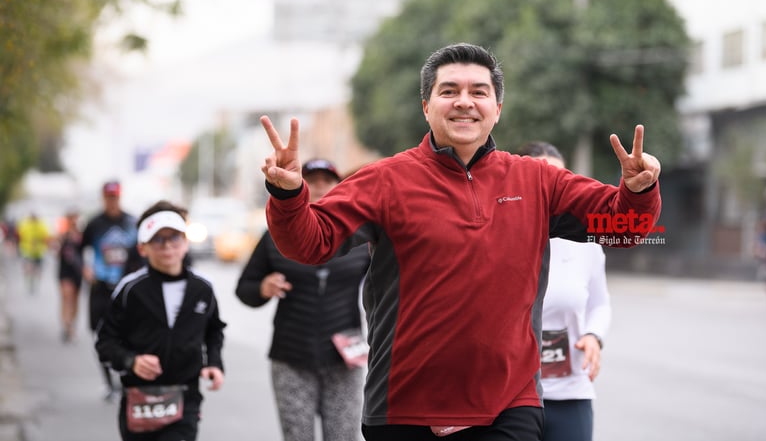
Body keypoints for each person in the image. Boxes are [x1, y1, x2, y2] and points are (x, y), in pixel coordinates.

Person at [259, 42, 662, 441]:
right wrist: (288, 195)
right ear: (426, 106)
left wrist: (638, 191)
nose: (464, 102)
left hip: (508, 406)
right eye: (449, 91)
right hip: (403, 408)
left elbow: (621, 225)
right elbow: (309, 243)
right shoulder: (384, 181)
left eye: (478, 92)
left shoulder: (537, 180)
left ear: (497, 109)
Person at [236, 158, 370, 441]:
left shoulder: (360, 235)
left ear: (339, 187)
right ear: (301, 187)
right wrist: (263, 287)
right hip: (291, 357)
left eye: (327, 181)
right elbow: (244, 288)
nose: (320, 187)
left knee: (344, 436)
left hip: (344, 357)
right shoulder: (276, 235)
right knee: (298, 437)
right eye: (313, 180)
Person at [95, 200, 226, 441]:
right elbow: (105, 341)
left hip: (185, 396)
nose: (167, 246)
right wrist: (131, 361)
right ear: (143, 248)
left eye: (174, 238)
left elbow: (214, 330)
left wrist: (214, 363)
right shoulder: (130, 290)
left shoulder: (202, 289)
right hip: (139, 396)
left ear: (185, 243)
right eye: (158, 239)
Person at [517, 141, 611, 441]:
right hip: (510, 399)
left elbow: (600, 303)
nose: (550, 192)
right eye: (541, 180)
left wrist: (594, 336)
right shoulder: (499, 240)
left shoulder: (587, 245)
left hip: (570, 394)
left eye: (558, 181)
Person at [81, 180, 141, 401]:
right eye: (108, 197)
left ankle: (126, 380)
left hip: (126, 289)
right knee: (100, 335)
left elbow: (142, 253)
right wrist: (85, 268)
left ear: (120, 197)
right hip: (101, 288)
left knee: (129, 336)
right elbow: (77, 250)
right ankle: (108, 383)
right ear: (103, 198)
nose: (112, 201)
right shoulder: (94, 224)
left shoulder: (132, 222)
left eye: (115, 197)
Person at [57, 208, 84, 343]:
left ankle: (72, 323)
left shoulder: (82, 237)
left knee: (75, 300)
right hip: (65, 272)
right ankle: (67, 326)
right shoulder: (63, 236)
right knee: (67, 298)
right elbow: (57, 253)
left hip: (77, 273)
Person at [16, 211, 52, 294]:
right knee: (28, 267)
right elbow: (20, 235)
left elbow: (46, 237)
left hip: (38, 251)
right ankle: (29, 282)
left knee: (37, 269)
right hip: (27, 250)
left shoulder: (41, 225)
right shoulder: (25, 225)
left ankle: (34, 282)